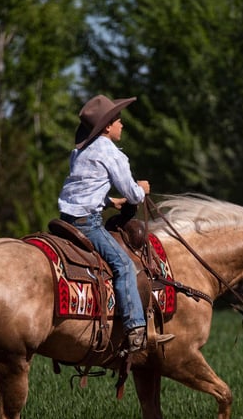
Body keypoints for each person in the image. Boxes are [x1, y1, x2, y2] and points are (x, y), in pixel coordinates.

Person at [58, 94, 174, 354]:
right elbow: (133, 193)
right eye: (119, 120)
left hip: (66, 219)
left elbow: (83, 186)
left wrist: (110, 201)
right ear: (108, 126)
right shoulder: (111, 152)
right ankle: (135, 330)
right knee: (123, 265)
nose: (123, 124)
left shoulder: (79, 151)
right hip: (88, 223)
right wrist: (140, 190)